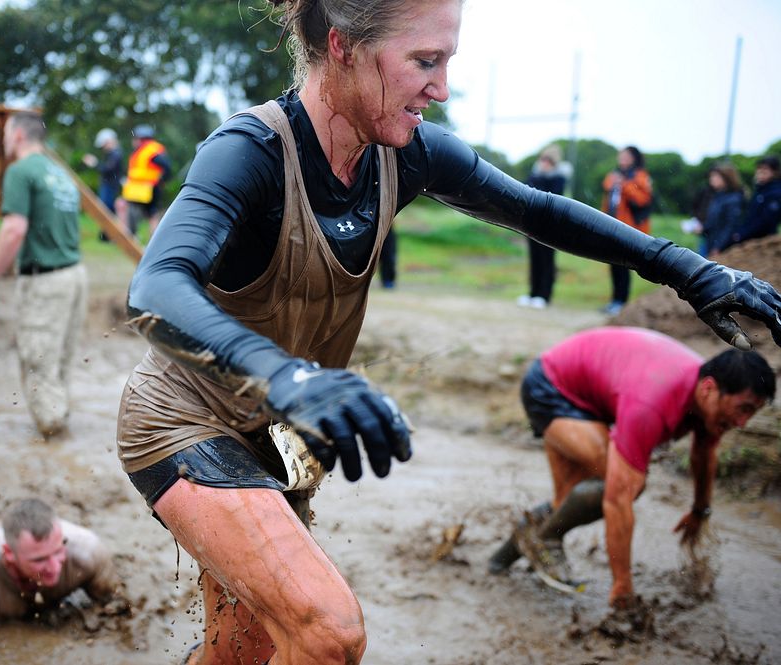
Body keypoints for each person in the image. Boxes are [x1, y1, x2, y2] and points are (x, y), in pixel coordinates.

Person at [116, 2, 781, 663]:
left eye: (447, 62)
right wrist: (289, 374)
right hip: (187, 420)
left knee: (246, 644)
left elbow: (535, 209)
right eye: (424, 62)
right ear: (344, 46)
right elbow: (156, 287)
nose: (441, 87)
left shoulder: (405, 156)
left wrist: (681, 265)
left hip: (279, 435)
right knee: (327, 632)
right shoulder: (252, 151)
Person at [488, 327, 774, 609]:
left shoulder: (709, 401)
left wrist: (700, 510)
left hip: (590, 384)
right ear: (710, 388)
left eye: (752, 412)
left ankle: (498, 563)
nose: (743, 423)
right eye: (743, 409)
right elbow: (617, 501)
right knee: (621, 485)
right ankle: (546, 539)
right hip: (552, 385)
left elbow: (703, 452)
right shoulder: (652, 404)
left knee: (567, 502)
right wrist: (622, 587)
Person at [0, 111, 88, 437]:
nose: (3, 141)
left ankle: (53, 441)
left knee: (38, 359)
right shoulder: (61, 174)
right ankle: (59, 420)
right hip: (75, 275)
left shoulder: (21, 171)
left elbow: (13, 229)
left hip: (45, 280)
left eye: (5, 133)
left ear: (18, 135)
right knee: (61, 358)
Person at [0, 498, 122, 627]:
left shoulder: (88, 552)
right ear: (9, 555)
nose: (55, 567)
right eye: (40, 560)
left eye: (58, 551)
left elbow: (116, 604)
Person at [600, 146, 653, 316]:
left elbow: (642, 199)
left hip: (630, 229)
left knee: (624, 265)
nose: (622, 158)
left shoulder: (640, 176)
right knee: (614, 264)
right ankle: (614, 301)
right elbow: (607, 193)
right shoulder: (614, 175)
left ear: (634, 158)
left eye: (626, 156)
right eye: (620, 155)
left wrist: (624, 184)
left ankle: (622, 303)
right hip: (612, 227)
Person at [517, 145, 569, 309]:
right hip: (532, 224)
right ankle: (533, 293)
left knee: (547, 261)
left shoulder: (558, 179)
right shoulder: (534, 175)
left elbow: (551, 197)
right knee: (535, 260)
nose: (544, 164)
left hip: (550, 226)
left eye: (548, 161)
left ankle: (544, 296)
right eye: (543, 160)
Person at [116, 124, 172, 238]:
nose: (133, 141)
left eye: (135, 138)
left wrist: (161, 181)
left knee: (148, 214)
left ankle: (130, 236)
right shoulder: (143, 150)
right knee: (152, 215)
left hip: (148, 189)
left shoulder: (150, 150)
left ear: (140, 138)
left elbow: (167, 167)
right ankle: (146, 240)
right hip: (141, 189)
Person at [724, 155, 781, 251]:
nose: (760, 172)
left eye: (765, 169)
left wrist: (741, 234)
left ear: (774, 172)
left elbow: (765, 221)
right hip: (750, 239)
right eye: (759, 168)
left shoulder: (776, 193)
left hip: (763, 243)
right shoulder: (760, 191)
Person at [697, 162, 745, 258]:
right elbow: (714, 221)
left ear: (727, 178)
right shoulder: (718, 195)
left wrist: (718, 247)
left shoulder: (734, 198)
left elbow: (730, 226)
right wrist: (703, 228)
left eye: (716, 176)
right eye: (711, 176)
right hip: (709, 242)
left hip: (721, 248)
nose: (712, 179)